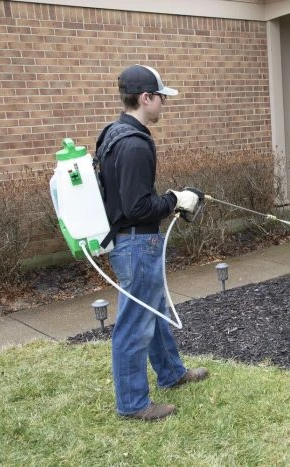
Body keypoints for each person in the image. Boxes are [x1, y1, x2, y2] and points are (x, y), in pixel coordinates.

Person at [95, 64, 208, 421]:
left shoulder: (113, 133)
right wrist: (176, 199)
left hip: (131, 241)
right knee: (134, 325)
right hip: (136, 244)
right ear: (146, 98)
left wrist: (172, 199)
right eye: (161, 97)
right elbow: (138, 207)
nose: (163, 104)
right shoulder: (134, 144)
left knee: (155, 312)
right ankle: (133, 404)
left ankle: (172, 373)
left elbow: (129, 199)